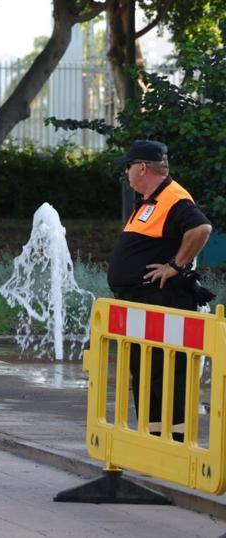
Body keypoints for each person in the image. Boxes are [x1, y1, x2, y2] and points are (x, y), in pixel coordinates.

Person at [108, 140, 213, 439]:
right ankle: (152, 440)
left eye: (128, 167)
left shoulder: (174, 198)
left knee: (164, 375)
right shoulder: (150, 200)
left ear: (142, 167)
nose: (126, 173)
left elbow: (202, 229)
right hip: (142, 300)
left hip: (163, 299)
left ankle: (173, 443)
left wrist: (175, 267)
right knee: (145, 372)